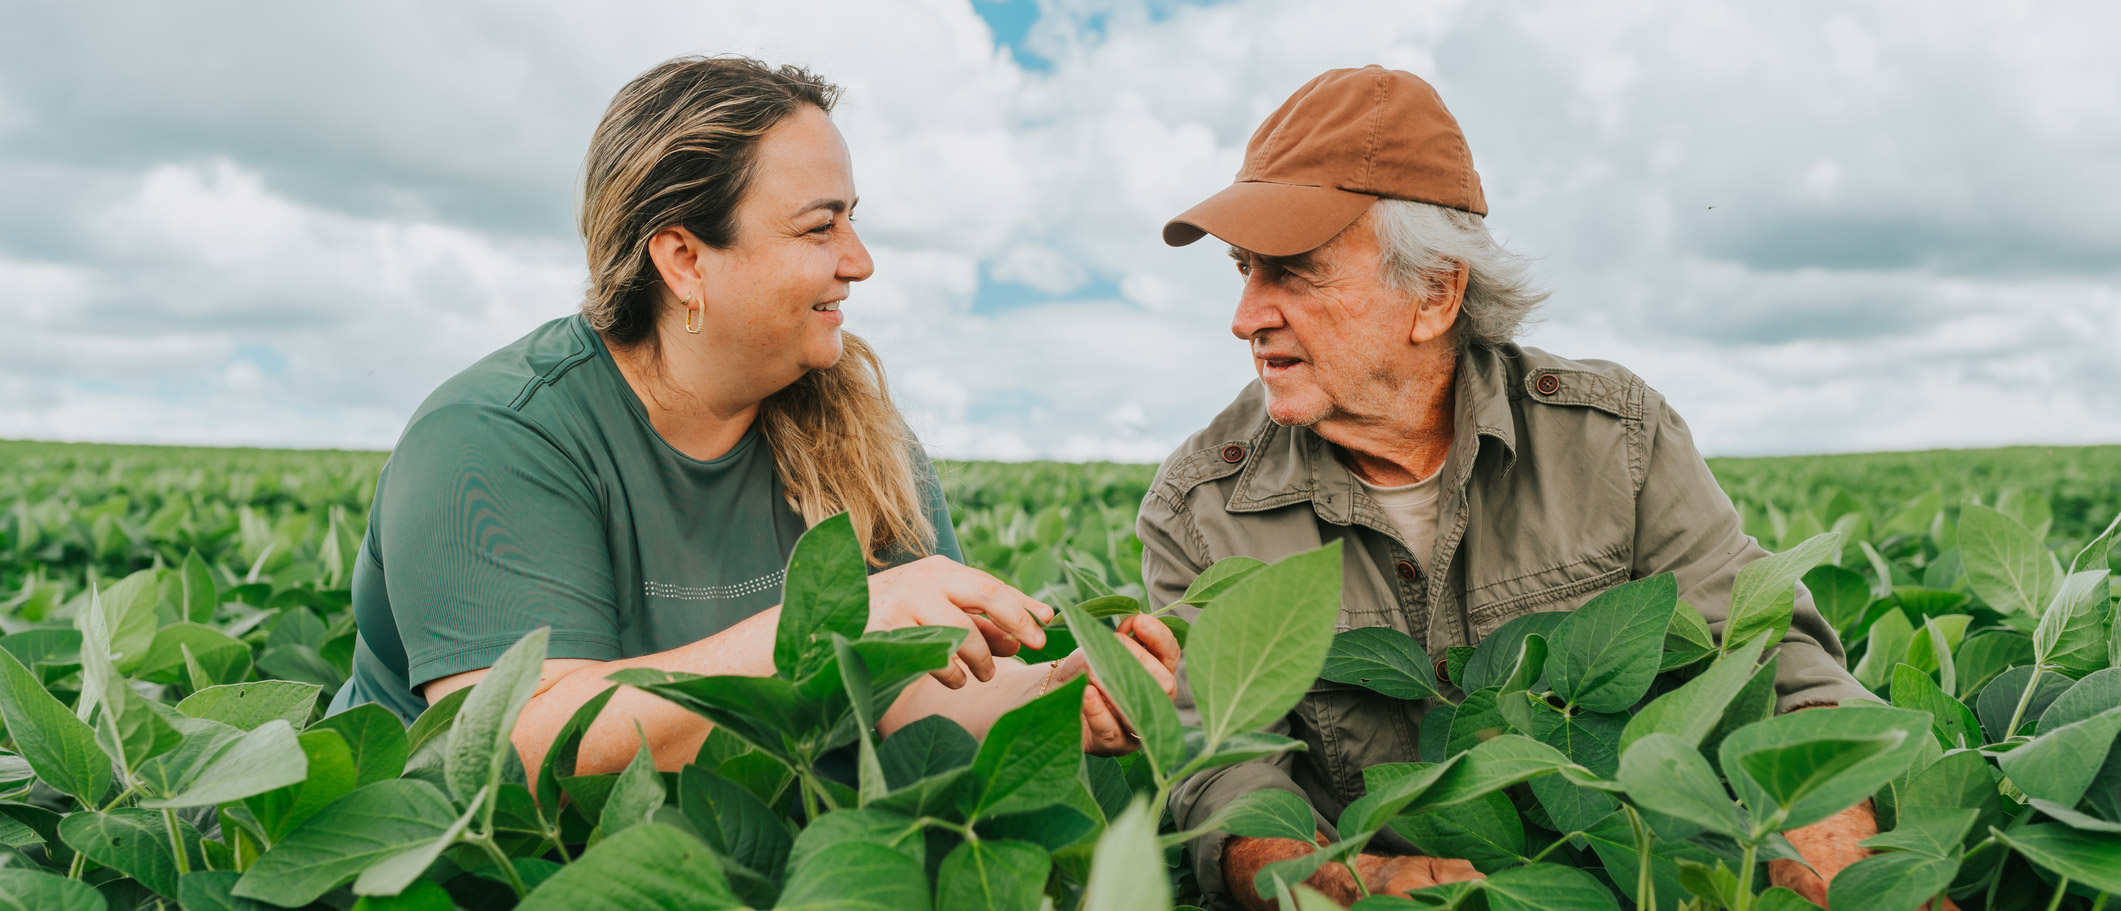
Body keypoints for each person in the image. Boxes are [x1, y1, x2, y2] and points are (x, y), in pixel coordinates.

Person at [1142, 66, 1929, 910]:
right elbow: (1218, 770)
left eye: (1292, 272)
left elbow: (1776, 666)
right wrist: (1339, 882)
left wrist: (1829, 856)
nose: (1246, 314)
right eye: (1243, 269)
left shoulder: (1613, 436)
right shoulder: (1201, 507)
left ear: (1435, 292)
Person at [330, 55, 1177, 778]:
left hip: (727, 848)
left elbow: (914, 699)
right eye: (820, 227)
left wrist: (1057, 698)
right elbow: (510, 754)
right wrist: (825, 625)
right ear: (684, 259)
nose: (859, 261)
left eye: (853, 220)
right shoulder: (495, 436)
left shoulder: (860, 434)